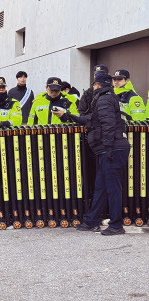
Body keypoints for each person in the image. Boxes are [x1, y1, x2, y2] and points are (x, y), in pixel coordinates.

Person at [53, 72, 130, 235]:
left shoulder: (104, 99)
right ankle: (92, 220)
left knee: (112, 187)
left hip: (112, 149)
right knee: (101, 187)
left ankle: (116, 225)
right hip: (109, 149)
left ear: (99, 85)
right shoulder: (104, 99)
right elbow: (90, 120)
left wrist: (108, 149)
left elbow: (108, 125)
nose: (93, 86)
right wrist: (67, 116)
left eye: (94, 84)